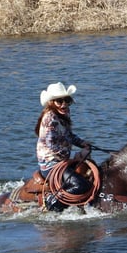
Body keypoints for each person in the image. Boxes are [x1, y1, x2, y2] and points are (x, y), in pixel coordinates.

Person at [35, 82, 93, 211]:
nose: (64, 104)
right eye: (59, 101)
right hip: (51, 163)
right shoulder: (50, 118)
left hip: (62, 161)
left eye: (67, 100)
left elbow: (69, 135)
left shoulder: (64, 114)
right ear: (51, 102)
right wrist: (73, 159)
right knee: (80, 185)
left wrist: (83, 143)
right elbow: (51, 146)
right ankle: (51, 204)